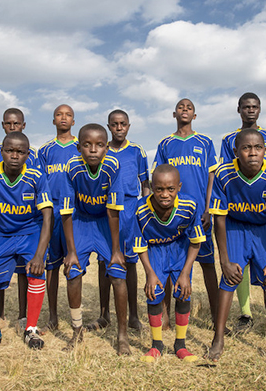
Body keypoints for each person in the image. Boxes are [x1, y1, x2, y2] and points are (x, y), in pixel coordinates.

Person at [208, 129, 266, 362]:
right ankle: (218, 340)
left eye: (258, 148)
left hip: (264, 228)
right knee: (229, 278)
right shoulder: (224, 174)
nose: (253, 153)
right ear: (235, 152)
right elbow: (219, 218)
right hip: (235, 226)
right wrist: (224, 260)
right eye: (246, 148)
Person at [0, 132, 52, 351]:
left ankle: (31, 329)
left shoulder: (36, 176)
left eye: (20, 152)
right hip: (1, 233)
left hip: (30, 232)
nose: (15, 155)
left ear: (27, 154)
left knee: (35, 271)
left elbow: (47, 216)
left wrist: (40, 255)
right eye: (10, 150)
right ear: (2, 152)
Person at [60, 123, 131, 355]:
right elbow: (67, 211)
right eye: (87, 145)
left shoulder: (113, 166)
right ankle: (77, 330)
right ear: (78, 147)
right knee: (73, 271)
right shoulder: (72, 167)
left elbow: (113, 210)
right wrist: (70, 251)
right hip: (80, 220)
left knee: (118, 271)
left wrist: (116, 249)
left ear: (106, 148)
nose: (93, 150)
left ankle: (122, 336)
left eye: (99, 145)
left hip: (104, 220)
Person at [219, 92, 266, 334]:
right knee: (235, 267)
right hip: (238, 212)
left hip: (263, 211)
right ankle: (245, 311)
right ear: (239, 110)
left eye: (254, 106)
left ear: (260, 109)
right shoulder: (229, 139)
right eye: (245, 107)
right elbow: (226, 174)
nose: (250, 110)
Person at [153, 98, 219, 331]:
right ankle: (166, 318)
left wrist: (208, 208)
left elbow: (212, 177)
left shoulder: (205, 142)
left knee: (208, 264)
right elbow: (157, 177)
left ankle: (216, 317)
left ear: (195, 115)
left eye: (189, 107)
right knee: (171, 268)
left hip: (199, 214)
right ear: (174, 114)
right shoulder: (165, 143)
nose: (184, 110)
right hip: (172, 215)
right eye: (181, 107)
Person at [86, 110, 149, 332]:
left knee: (130, 262)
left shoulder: (137, 151)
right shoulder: (102, 149)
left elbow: (145, 185)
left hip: (130, 209)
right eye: (115, 124)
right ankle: (104, 314)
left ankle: (133, 315)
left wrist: (144, 211)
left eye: (123, 124)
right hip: (106, 210)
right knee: (106, 261)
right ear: (109, 127)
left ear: (128, 126)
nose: (119, 128)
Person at [0, 108, 38, 332]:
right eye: (8, 124)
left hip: (25, 219)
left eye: (17, 124)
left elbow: (36, 186)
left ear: (23, 125)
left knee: (25, 269)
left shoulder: (33, 155)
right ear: (3, 125)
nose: (12, 127)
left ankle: (24, 316)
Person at [134, 164, 202, 362]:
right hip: (155, 252)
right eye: (159, 189)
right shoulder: (140, 209)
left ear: (178, 187)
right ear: (151, 187)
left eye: (170, 189)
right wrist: (149, 273)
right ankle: (157, 345)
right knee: (154, 293)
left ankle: (180, 345)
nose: (165, 194)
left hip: (179, 250)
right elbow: (140, 244)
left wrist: (185, 273)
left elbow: (196, 242)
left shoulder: (189, 205)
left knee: (183, 292)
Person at [37, 104, 77, 332]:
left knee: (73, 263)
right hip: (52, 213)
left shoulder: (81, 147)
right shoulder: (45, 150)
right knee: (51, 265)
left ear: (74, 121)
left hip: (73, 214)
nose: (63, 118)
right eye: (59, 115)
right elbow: (40, 184)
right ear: (53, 121)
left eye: (68, 115)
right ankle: (52, 316)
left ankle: (75, 318)